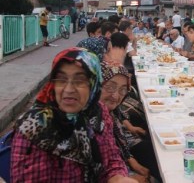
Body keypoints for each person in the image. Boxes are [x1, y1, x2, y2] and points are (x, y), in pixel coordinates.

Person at [10, 47, 137, 183]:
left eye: (80, 81)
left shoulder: (98, 113)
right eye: (61, 79)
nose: (69, 89)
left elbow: (112, 159)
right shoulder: (34, 128)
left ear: (94, 84)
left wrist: (117, 178)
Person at [100, 62, 161, 182]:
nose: (116, 95)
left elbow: (114, 154)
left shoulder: (109, 114)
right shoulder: (88, 123)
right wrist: (128, 175)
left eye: (122, 90)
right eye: (110, 87)